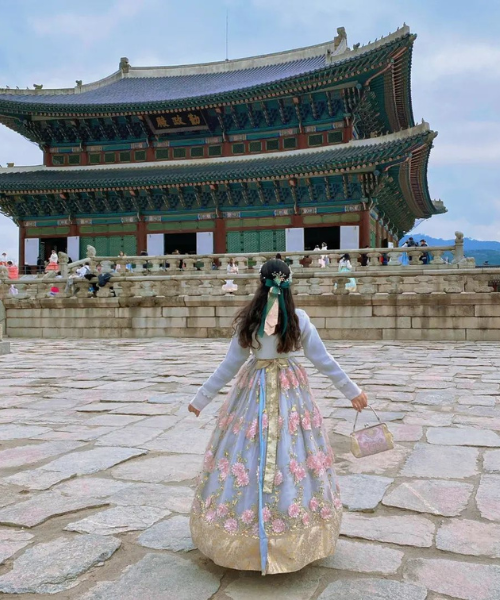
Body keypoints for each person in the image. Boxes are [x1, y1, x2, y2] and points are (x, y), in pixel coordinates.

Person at [188, 259, 367, 575]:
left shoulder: (251, 319)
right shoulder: (298, 319)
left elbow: (229, 365)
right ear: (289, 285)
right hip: (290, 392)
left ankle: (244, 532)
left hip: (253, 390)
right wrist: (352, 391)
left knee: (248, 453)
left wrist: (201, 398)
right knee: (292, 453)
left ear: (260, 285)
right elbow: (324, 361)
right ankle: (289, 529)